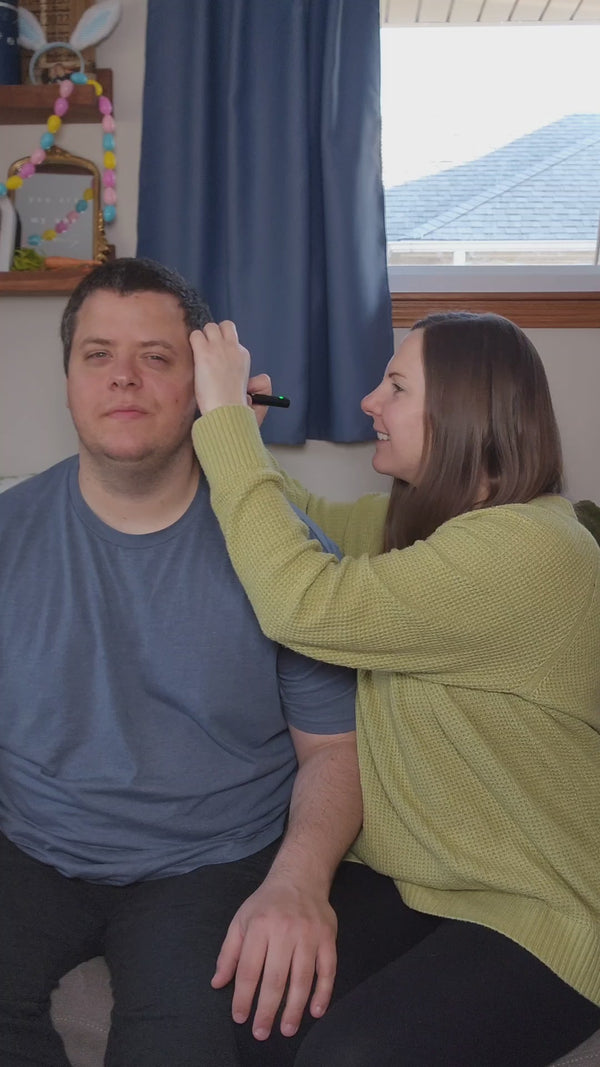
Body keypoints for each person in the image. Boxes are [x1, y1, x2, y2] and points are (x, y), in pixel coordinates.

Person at [0, 257, 390, 1067]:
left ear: (204, 390)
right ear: (68, 381)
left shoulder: (278, 553)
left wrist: (298, 879)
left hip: (209, 861)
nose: (124, 377)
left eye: (156, 356)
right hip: (30, 845)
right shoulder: (11, 534)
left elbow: (334, 748)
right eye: (98, 354)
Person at [190, 311, 600, 1067]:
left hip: (539, 904)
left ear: (467, 409)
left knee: (353, 1055)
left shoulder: (531, 549)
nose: (369, 402)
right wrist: (241, 441)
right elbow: (299, 524)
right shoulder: (425, 523)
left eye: (397, 387)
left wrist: (222, 419)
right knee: (258, 1017)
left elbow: (300, 601)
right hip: (419, 878)